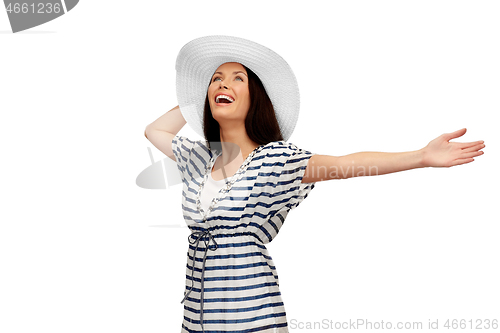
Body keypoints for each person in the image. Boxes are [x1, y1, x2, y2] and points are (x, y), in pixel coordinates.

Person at [144, 35, 485, 333]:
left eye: (238, 79)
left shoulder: (275, 159)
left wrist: (420, 156)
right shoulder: (201, 159)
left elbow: (344, 165)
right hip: (198, 315)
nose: (223, 84)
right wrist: (196, 94)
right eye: (216, 79)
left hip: (252, 315)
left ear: (255, 98)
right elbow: (155, 131)